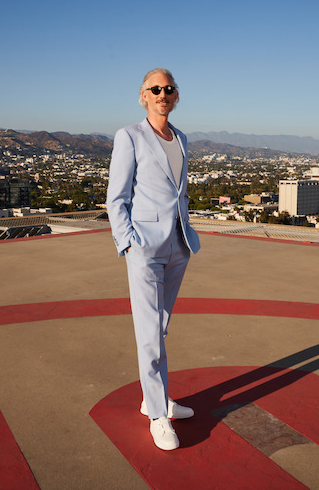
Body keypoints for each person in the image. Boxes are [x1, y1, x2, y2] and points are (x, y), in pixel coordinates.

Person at [106, 68, 201, 451]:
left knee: (159, 327)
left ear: (176, 96)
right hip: (145, 247)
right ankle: (158, 416)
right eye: (155, 88)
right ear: (144, 95)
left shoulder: (181, 139)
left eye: (169, 88)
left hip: (178, 244)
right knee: (148, 333)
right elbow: (117, 197)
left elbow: (179, 193)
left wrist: (184, 232)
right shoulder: (129, 136)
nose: (163, 93)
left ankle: (152, 398)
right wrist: (128, 243)